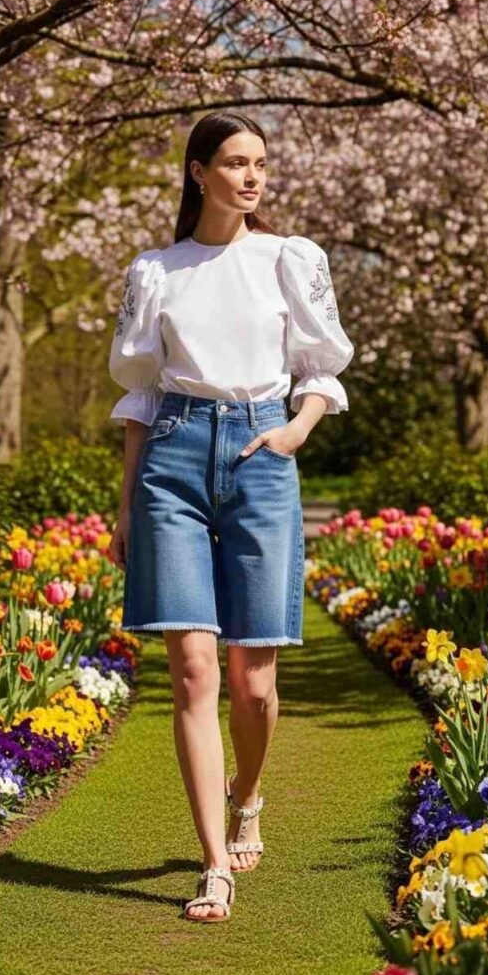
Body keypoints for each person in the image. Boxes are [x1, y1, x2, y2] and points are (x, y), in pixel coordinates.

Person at [107, 110, 354, 923]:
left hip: (261, 452)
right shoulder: (157, 270)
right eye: (235, 163)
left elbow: (321, 365)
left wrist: (292, 430)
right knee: (192, 671)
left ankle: (248, 793)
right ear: (197, 173)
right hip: (171, 459)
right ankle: (215, 865)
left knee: (252, 683)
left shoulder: (289, 258)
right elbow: (141, 393)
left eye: (259, 163)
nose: (251, 177)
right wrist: (124, 507)